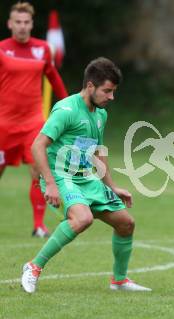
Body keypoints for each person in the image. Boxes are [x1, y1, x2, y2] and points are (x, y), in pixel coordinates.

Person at [20, 57, 150, 293]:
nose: (111, 97)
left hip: (85, 177)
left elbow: (98, 152)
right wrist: (50, 184)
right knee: (83, 219)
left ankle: (119, 281)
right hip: (62, 176)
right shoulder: (66, 110)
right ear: (90, 86)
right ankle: (33, 266)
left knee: (126, 223)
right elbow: (37, 145)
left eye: (113, 92)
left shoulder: (100, 114)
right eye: (107, 91)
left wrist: (112, 187)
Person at [0, 2, 68, 238]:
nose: (22, 26)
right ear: (10, 24)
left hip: (33, 123)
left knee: (38, 172)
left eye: (26, 22)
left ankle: (39, 225)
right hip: (3, 125)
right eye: (17, 22)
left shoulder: (42, 49)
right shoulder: (1, 49)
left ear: (31, 24)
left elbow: (54, 78)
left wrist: (69, 105)